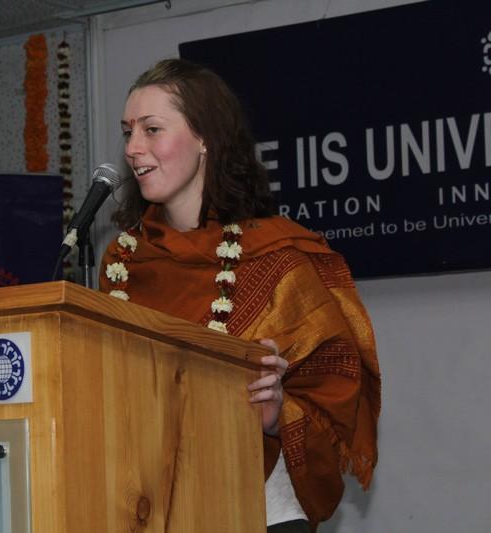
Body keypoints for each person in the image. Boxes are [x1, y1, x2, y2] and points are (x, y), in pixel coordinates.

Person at [98, 58, 380, 532]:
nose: (132, 148)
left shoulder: (277, 261)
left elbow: (336, 403)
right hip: (148, 513)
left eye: (151, 129)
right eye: (128, 132)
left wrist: (276, 415)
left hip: (259, 512)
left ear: (205, 138)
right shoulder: (123, 263)